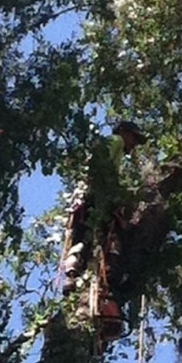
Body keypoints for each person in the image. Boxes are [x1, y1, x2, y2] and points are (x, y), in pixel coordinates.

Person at [62, 122, 147, 319]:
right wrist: (121, 193)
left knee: (86, 240)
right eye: (134, 138)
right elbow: (101, 164)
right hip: (94, 199)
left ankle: (75, 274)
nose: (134, 145)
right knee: (96, 236)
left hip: (93, 199)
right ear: (124, 132)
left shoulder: (115, 148)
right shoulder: (115, 141)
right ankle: (86, 277)